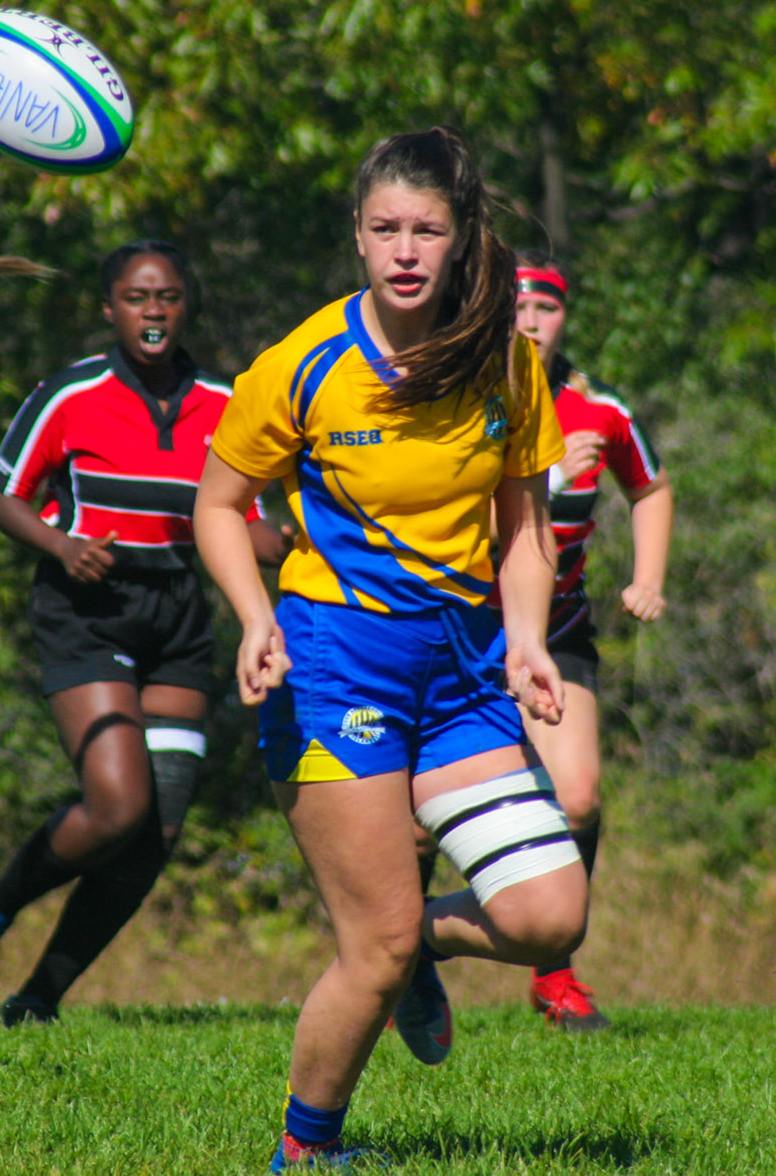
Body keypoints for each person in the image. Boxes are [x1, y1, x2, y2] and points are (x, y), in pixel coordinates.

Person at [193, 127, 588, 1169]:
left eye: (427, 230)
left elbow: (525, 525)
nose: (405, 251)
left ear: (461, 239)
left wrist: (527, 641)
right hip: (335, 663)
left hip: (463, 669)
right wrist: (254, 616)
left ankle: (421, 948)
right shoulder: (301, 364)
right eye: (385, 229)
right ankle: (306, 1151)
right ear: (358, 237)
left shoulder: (506, 360)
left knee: (549, 919)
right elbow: (218, 506)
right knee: (372, 943)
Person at [0, 239, 282, 1024]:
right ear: (110, 310)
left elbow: (251, 522)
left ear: (185, 307)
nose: (153, 310)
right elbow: (1, 495)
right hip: (86, 607)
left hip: (178, 614)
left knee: (154, 834)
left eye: (167, 296)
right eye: (136, 298)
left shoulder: (227, 402)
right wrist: (61, 545)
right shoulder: (72, 394)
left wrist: (306, 538)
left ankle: (38, 1000)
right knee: (118, 805)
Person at [508, 253, 672, 1031]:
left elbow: (650, 487)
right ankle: (404, 964)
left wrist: (648, 577)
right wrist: (546, 480)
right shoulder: (461, 399)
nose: (530, 323)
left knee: (576, 798)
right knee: (414, 820)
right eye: (515, 308)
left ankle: (555, 973)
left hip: (559, 624)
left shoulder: (597, 410)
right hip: (465, 626)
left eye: (545, 309)